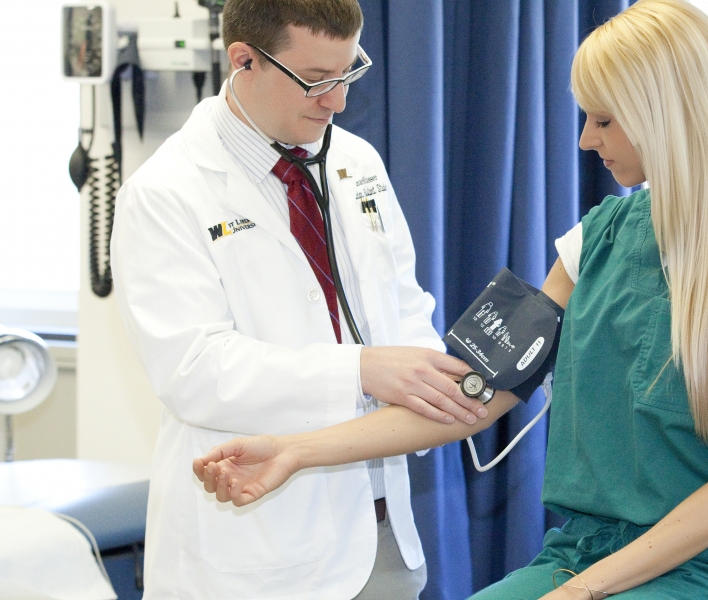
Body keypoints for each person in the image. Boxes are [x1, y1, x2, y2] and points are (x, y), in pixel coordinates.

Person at [194, 1, 708, 598]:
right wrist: (296, 450)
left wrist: (583, 591)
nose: (585, 140)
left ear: (671, 117)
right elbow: (471, 394)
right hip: (582, 553)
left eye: (604, 120)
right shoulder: (598, 239)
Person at [109, 1, 490, 598]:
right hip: (259, 544)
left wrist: (431, 381)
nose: (336, 101)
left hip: (382, 527)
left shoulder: (355, 161)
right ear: (244, 61)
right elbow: (194, 370)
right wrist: (363, 371)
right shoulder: (165, 192)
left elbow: (405, 306)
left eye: (348, 74)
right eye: (315, 81)